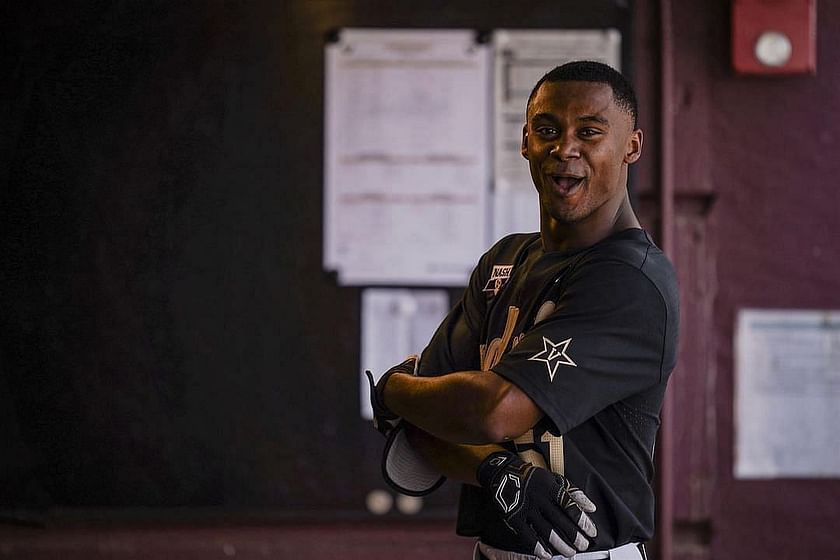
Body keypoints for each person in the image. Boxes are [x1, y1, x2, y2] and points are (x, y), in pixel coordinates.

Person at [367, 61, 679, 560]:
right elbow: (424, 427)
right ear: (525, 141)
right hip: (494, 550)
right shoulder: (505, 260)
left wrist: (392, 388)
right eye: (548, 130)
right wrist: (496, 472)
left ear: (632, 146)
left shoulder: (631, 278)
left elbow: (493, 411)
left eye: (590, 132)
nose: (564, 149)